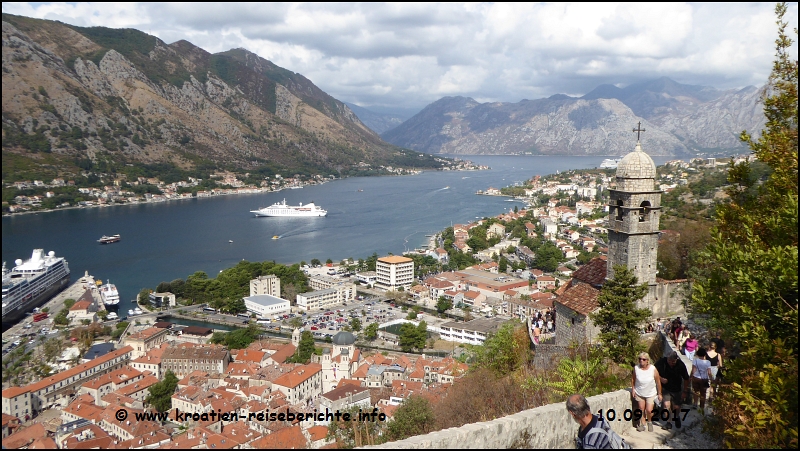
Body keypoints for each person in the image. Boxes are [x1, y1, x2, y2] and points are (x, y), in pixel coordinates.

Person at [654, 351, 690, 430]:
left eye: (673, 361)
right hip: (665, 388)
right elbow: (653, 371)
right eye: (669, 361)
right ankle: (668, 422)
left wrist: (685, 391)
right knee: (666, 405)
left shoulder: (680, 365)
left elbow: (686, 379)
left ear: (676, 359)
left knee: (676, 407)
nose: (671, 363)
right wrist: (660, 378)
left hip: (677, 389)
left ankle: (676, 417)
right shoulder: (662, 362)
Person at [632, 352, 663, 432]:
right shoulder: (636, 368)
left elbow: (658, 381)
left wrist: (659, 393)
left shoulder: (653, 369)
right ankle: (643, 424)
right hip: (640, 392)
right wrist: (633, 389)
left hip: (651, 393)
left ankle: (649, 421)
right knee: (641, 409)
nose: (641, 361)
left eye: (643, 359)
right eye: (640, 359)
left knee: (649, 410)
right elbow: (633, 379)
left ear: (647, 360)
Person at [690, 347, 713, 414]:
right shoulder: (708, 362)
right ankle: (702, 406)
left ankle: (695, 404)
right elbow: (709, 372)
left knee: (696, 391)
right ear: (705, 354)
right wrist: (711, 379)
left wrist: (690, 376)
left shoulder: (695, 360)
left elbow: (693, 370)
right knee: (703, 393)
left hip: (696, 378)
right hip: (704, 379)